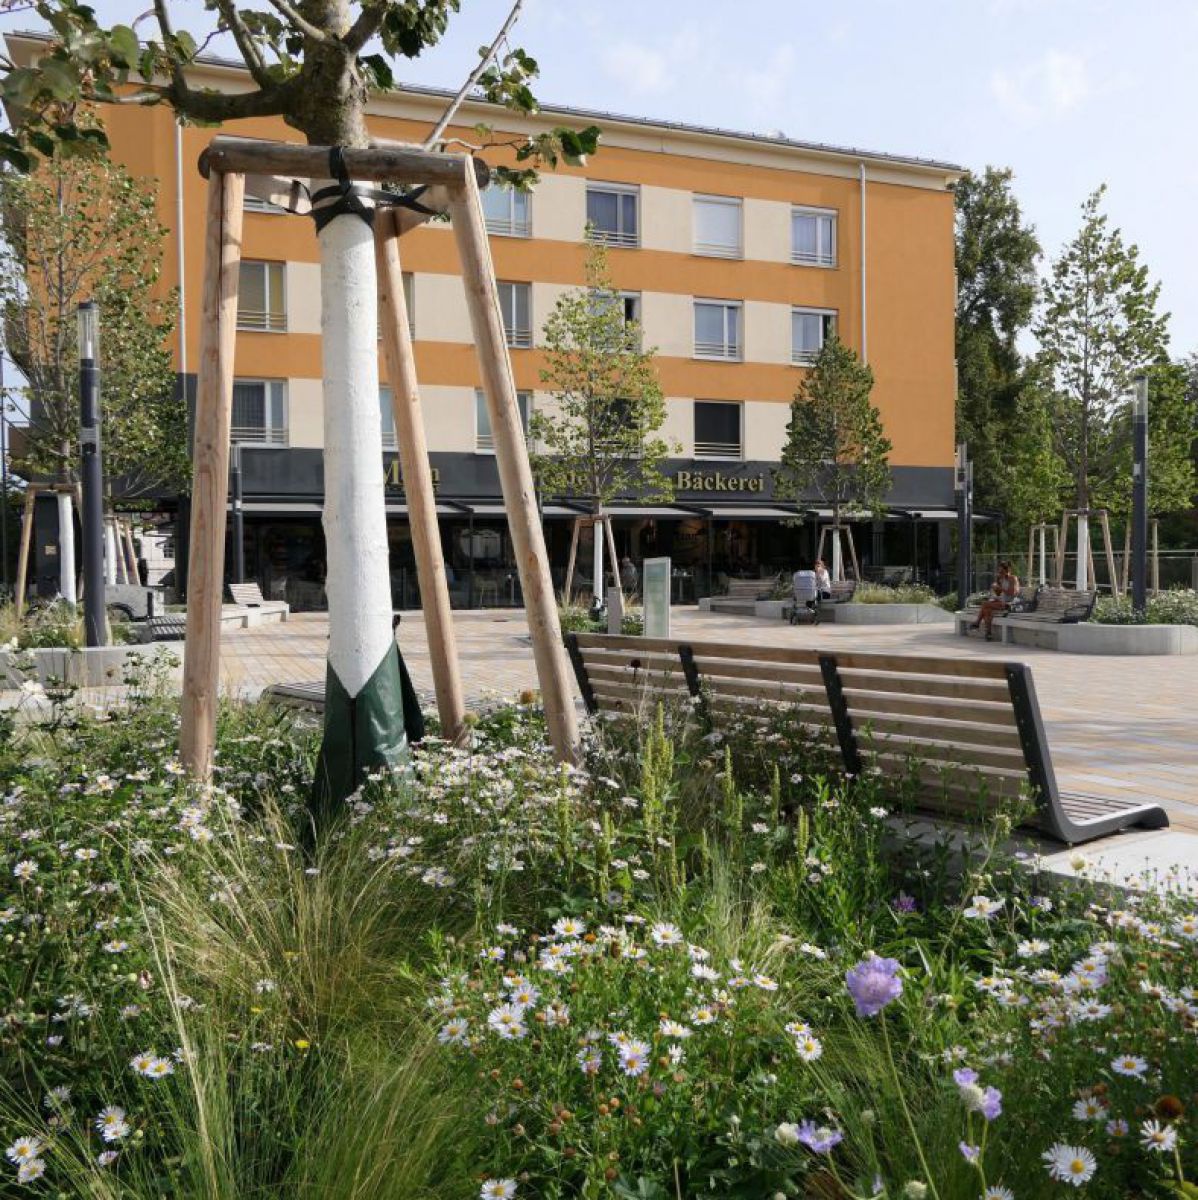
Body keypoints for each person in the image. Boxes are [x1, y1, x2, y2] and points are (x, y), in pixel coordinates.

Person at [972, 560, 1020, 641]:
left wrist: (1000, 588)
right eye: (999, 571)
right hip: (1001, 601)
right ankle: (988, 634)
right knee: (987, 610)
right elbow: (999, 594)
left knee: (985, 604)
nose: (1000, 572)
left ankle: (978, 623)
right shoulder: (1001, 579)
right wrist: (995, 588)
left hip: (1009, 603)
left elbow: (1012, 593)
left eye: (1001, 571)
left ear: (1007, 570)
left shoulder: (1013, 578)